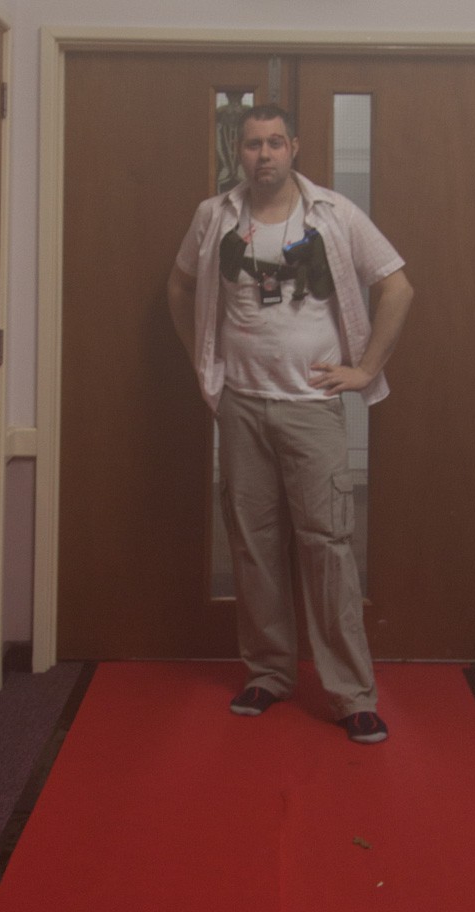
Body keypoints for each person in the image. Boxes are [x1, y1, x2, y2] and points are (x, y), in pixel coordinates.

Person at [167, 104, 413, 743]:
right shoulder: (214, 216)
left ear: (294, 147)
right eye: (253, 144)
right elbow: (180, 287)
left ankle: (350, 693)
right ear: (239, 152)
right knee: (253, 545)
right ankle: (268, 673)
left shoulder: (332, 214)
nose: (264, 154)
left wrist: (365, 368)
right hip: (241, 405)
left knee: (327, 546)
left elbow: (397, 286)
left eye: (275, 142)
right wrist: (204, 362)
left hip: (311, 408)